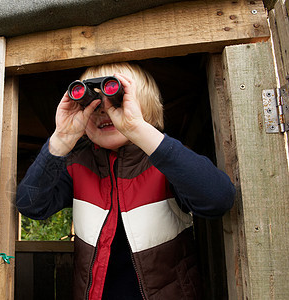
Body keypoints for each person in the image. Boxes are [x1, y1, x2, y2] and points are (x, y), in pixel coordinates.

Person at [16, 62, 235, 300]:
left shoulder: (167, 162)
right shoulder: (77, 165)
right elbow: (31, 205)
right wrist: (62, 139)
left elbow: (218, 199)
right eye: (92, 105)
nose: (104, 111)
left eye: (117, 101)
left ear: (146, 109)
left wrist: (138, 130)